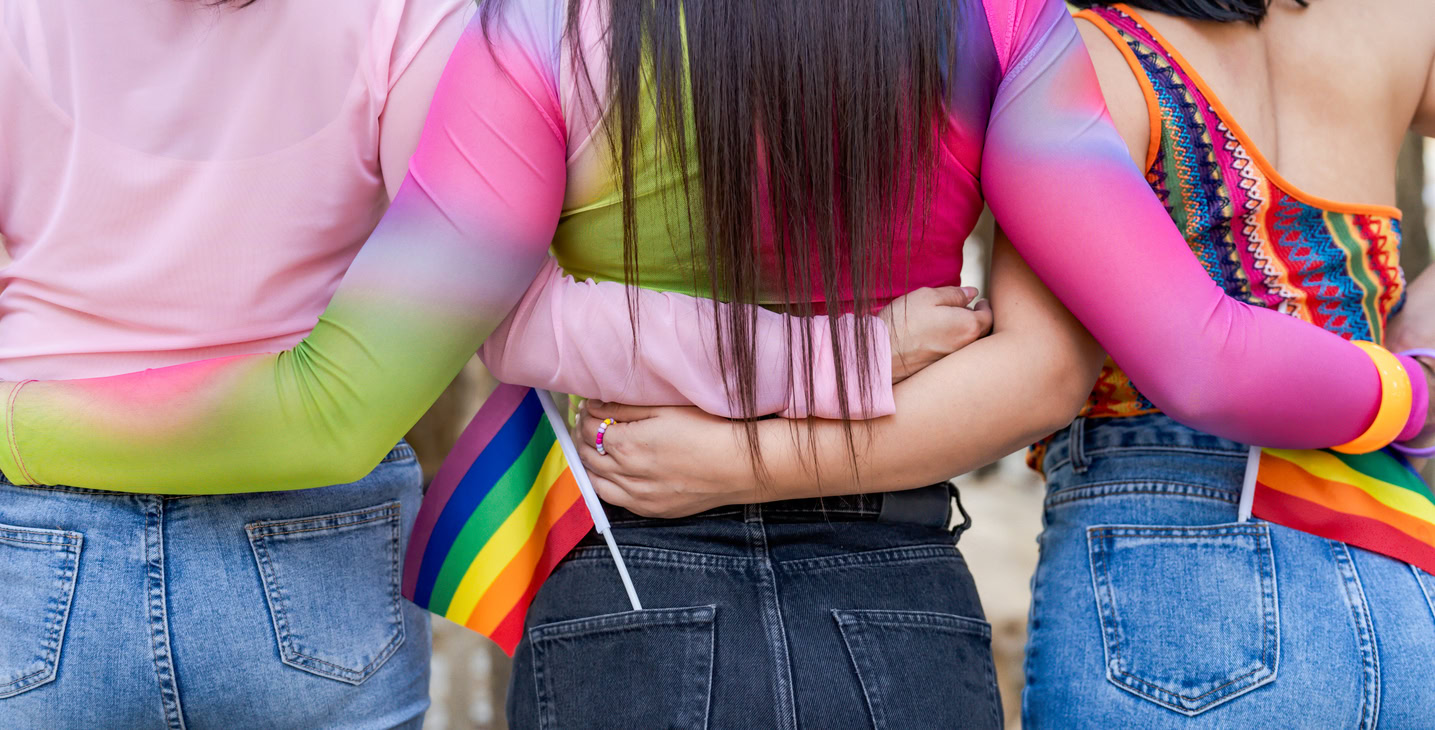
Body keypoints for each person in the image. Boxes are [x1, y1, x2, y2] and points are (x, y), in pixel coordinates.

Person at [0, 0, 1430, 727]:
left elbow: (427, 352)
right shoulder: (1010, 29)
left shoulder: (539, 30)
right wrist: (1410, 390)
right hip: (898, 598)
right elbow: (1083, 367)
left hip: (626, 590)